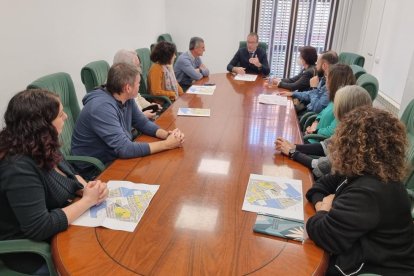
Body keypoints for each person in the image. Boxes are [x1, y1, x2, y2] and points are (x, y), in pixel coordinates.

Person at [0, 89, 109, 274]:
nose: (66, 116)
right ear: (42, 126)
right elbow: (39, 227)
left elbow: (69, 176)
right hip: (33, 250)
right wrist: (88, 200)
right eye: (60, 114)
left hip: (60, 229)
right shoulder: (17, 167)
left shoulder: (41, 143)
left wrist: (86, 189)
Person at [306, 106, 414, 275]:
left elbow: (325, 235)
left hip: (375, 268)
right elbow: (318, 187)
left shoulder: (369, 191)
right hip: (357, 252)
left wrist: (325, 210)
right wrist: (323, 205)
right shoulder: (358, 169)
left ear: (350, 143)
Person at [71, 63, 185, 180]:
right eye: (138, 83)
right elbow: (125, 149)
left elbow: (142, 122)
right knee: (157, 176)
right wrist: (167, 145)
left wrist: (167, 135)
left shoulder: (125, 97)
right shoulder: (101, 108)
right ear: (127, 88)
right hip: (95, 170)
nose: (140, 86)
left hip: (113, 158)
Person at [275, 85, 372, 178]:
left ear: (346, 111)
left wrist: (292, 152)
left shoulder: (355, 141)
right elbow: (325, 145)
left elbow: (321, 166)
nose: (334, 111)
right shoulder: (351, 129)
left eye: (336, 106)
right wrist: (295, 147)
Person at [305, 64, 355, 140]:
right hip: (313, 137)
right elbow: (321, 113)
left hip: (318, 144)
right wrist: (316, 122)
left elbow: (332, 131)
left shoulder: (344, 105)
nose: (326, 81)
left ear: (336, 82)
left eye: (327, 78)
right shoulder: (334, 98)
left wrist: (314, 131)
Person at [279, 50, 338, 115]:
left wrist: (314, 88)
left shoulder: (331, 84)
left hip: (309, 116)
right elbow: (310, 94)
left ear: (324, 65)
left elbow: (317, 108)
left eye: (318, 63)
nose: (316, 65)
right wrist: (293, 93)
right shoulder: (324, 78)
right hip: (306, 110)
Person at [113, 49, 160, 120]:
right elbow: (123, 119)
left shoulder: (129, 79)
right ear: (124, 67)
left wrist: (150, 105)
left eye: (139, 65)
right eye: (136, 66)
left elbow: (138, 97)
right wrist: (142, 115)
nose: (139, 70)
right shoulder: (116, 85)